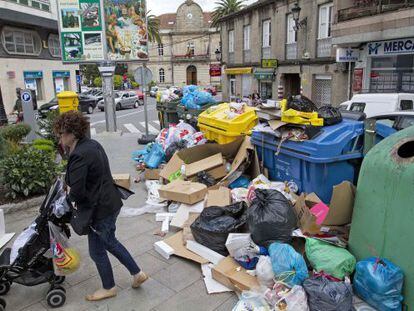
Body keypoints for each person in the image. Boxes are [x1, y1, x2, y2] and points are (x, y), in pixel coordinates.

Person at [53, 111, 148, 301]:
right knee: (108, 241)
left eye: (62, 134)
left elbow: (77, 191)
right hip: (109, 202)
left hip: (99, 209)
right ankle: (137, 274)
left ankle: (110, 287)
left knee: (100, 249)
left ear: (72, 133)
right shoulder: (92, 144)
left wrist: (65, 203)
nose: (60, 138)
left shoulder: (79, 154)